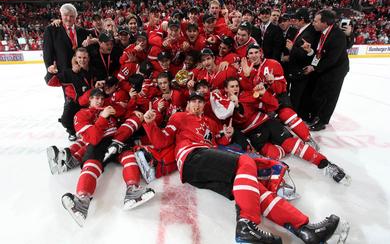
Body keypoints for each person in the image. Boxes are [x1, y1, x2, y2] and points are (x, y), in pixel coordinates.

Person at [142, 91, 348, 244]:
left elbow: (217, 143)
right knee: (246, 161)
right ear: (187, 104)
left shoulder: (210, 122)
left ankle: (303, 229)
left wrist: (226, 135)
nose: (197, 104)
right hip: (191, 157)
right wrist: (150, 125)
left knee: (257, 191)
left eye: (200, 101)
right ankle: (246, 225)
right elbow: (162, 141)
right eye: (193, 101)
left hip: (205, 165)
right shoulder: (179, 117)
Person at [60, 88, 155, 227]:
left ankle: (132, 190)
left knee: (129, 157)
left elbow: (124, 112)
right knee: (91, 164)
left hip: (117, 140)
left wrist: (133, 113)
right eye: (96, 98)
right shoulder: (81, 114)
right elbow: (93, 137)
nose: (100, 101)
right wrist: (102, 118)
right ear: (90, 100)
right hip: (98, 143)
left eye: (101, 98)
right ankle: (82, 200)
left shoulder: (109, 108)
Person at [43, 3, 89, 140]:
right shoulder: (52, 30)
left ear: (76, 17)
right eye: (65, 16)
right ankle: (71, 129)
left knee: (84, 98)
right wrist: (50, 67)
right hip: (66, 72)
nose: (68, 19)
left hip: (81, 71)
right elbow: (47, 51)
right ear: (61, 16)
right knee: (70, 100)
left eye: (71, 16)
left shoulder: (81, 31)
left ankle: (82, 125)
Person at [303, 10, 350, 131]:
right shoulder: (322, 32)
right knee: (319, 93)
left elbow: (331, 59)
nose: (313, 23)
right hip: (326, 67)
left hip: (336, 70)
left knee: (330, 96)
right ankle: (316, 116)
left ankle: (322, 121)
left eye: (316, 21)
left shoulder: (337, 35)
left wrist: (314, 68)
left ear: (325, 23)